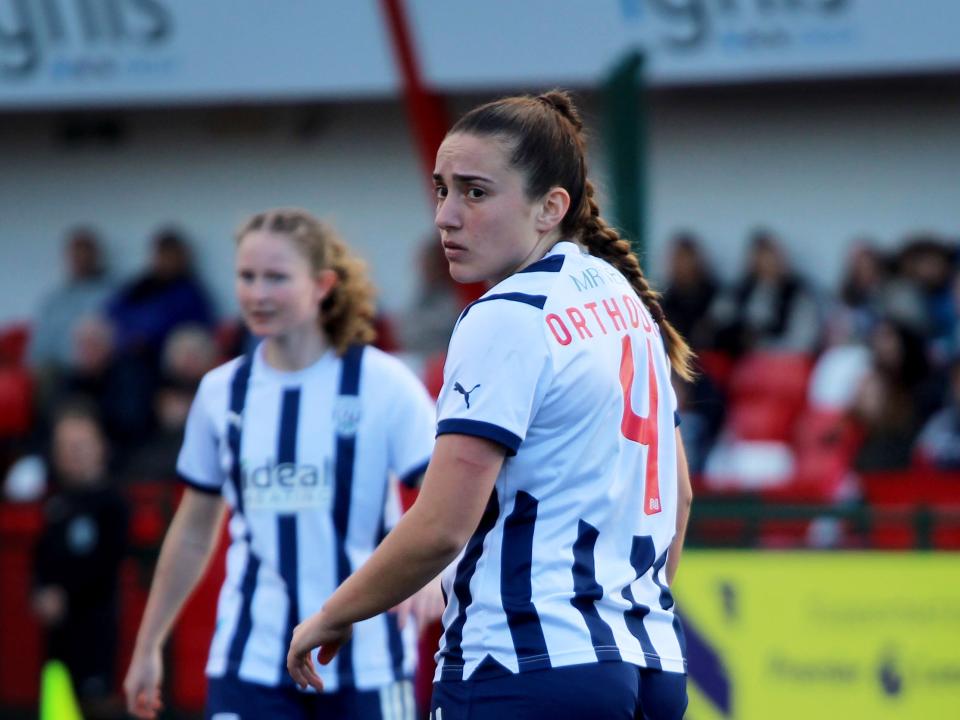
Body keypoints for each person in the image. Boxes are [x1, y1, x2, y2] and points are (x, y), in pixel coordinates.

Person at [288, 91, 695, 720]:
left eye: (475, 192)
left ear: (550, 208)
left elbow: (443, 526)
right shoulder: (623, 297)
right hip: (651, 668)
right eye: (442, 189)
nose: (446, 216)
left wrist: (334, 613)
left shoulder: (507, 315)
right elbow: (680, 496)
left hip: (522, 669)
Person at [123, 209, 440, 720]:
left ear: (322, 285)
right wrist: (148, 646)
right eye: (246, 277)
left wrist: (434, 574)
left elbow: (449, 501)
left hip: (369, 661)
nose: (257, 293)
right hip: (250, 660)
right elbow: (193, 533)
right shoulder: (221, 391)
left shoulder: (384, 384)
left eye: (276, 277)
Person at [33, 403, 129, 719]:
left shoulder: (113, 503)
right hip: (57, 642)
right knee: (57, 711)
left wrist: (64, 594)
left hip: (99, 636)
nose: (71, 455)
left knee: (97, 707)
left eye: (79, 446)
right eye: (64, 448)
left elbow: (106, 565)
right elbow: (41, 558)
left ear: (100, 447)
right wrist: (41, 591)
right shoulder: (55, 503)